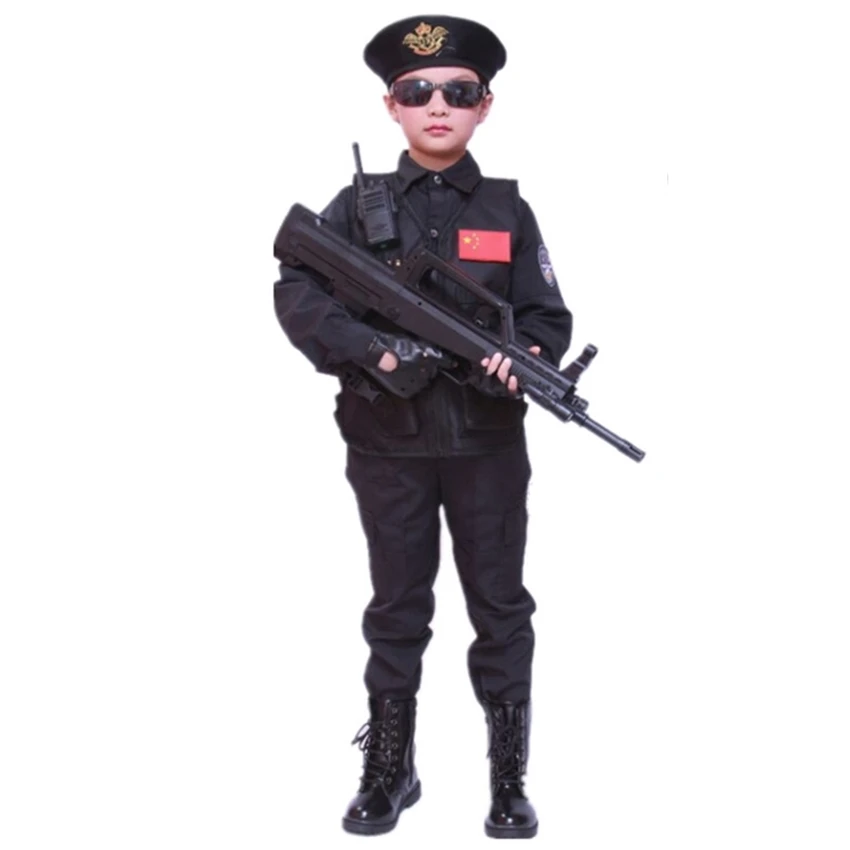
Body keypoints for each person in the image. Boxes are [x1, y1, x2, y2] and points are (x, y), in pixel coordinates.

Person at [273, 15, 573, 839]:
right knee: (398, 607)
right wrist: (375, 350)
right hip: (387, 443)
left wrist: (528, 357)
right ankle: (389, 770)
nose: (438, 105)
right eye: (418, 91)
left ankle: (508, 779)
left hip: (486, 447)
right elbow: (298, 291)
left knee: (501, 606)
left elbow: (546, 315)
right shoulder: (356, 207)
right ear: (392, 106)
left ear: (485, 107)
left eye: (459, 92)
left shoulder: (509, 210)